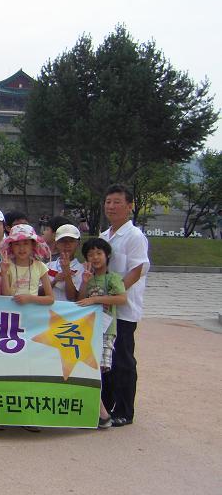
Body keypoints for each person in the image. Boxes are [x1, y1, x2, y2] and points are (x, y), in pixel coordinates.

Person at [100, 183, 150, 427]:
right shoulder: (104, 236)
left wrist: (113, 293)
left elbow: (137, 270)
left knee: (123, 359)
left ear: (129, 206)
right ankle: (106, 407)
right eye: (108, 201)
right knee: (105, 359)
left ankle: (125, 410)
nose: (111, 206)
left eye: (117, 202)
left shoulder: (135, 236)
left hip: (124, 309)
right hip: (104, 309)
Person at [77, 237, 128, 429]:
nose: (95, 257)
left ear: (107, 255)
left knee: (98, 370)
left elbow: (122, 299)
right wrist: (84, 283)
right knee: (88, 369)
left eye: (99, 253)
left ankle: (101, 413)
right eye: (91, 254)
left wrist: (95, 300)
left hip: (106, 331)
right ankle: (100, 413)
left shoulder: (112, 278)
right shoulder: (87, 278)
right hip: (88, 331)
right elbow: (79, 300)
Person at [0, 224, 54, 306]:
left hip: (32, 314)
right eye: (17, 244)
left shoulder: (40, 266)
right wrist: (3, 273)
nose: (21, 248)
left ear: (33, 245)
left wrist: (30, 298)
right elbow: (5, 295)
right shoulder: (7, 266)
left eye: (26, 243)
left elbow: (50, 298)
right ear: (11, 246)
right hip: (12, 313)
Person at [48, 224, 83, 301]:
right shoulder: (48, 266)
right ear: (56, 243)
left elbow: (72, 297)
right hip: (48, 311)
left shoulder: (82, 269)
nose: (67, 245)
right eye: (63, 241)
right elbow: (39, 293)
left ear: (78, 244)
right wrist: (55, 281)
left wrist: (66, 272)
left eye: (71, 241)